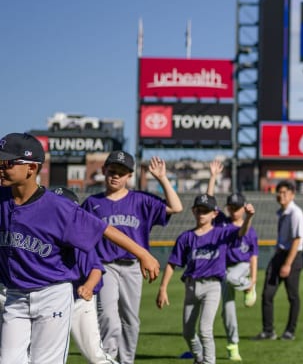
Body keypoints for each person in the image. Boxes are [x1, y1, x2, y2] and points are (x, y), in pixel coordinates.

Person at [0, 133, 160, 364]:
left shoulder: (57, 207)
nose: (2, 168)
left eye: (8, 163)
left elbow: (103, 228)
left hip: (51, 294)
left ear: (31, 168)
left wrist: (143, 254)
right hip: (15, 295)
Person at [83, 150, 184, 364]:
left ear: (130, 176)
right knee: (108, 317)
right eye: (112, 171)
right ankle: (108, 359)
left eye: (122, 172)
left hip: (132, 266)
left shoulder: (141, 200)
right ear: (103, 171)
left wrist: (162, 178)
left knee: (130, 319)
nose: (116, 175)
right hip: (105, 266)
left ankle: (126, 361)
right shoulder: (92, 203)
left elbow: (176, 207)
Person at [158, 194, 256, 364]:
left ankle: (209, 362)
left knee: (205, 330)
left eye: (206, 211)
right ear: (193, 211)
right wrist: (163, 288)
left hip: (212, 286)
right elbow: (173, 263)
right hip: (191, 286)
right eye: (199, 210)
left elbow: (241, 232)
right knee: (188, 332)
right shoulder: (186, 237)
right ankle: (199, 357)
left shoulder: (222, 233)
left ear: (214, 214)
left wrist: (249, 217)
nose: (202, 214)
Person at [51, 187, 119, 364]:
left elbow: (96, 269)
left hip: (77, 302)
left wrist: (88, 286)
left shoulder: (78, 240)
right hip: (48, 302)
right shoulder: (41, 234)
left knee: (95, 355)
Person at [206, 159, 259, 361]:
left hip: (242, 267)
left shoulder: (248, 228)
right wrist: (212, 177)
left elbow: (251, 252)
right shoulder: (221, 221)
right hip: (223, 268)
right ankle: (232, 346)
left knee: (231, 277)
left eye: (237, 207)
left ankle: (247, 287)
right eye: (231, 206)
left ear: (243, 208)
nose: (233, 210)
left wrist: (252, 281)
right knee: (227, 311)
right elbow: (208, 201)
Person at [255, 180, 303, 341]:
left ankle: (290, 331)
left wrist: (287, 264)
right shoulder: (282, 213)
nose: (281, 195)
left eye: (284, 192)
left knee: (292, 296)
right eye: (279, 192)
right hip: (279, 254)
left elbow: (297, 240)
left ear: (292, 194)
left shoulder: (295, 213)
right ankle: (268, 330)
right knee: (267, 294)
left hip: (292, 256)